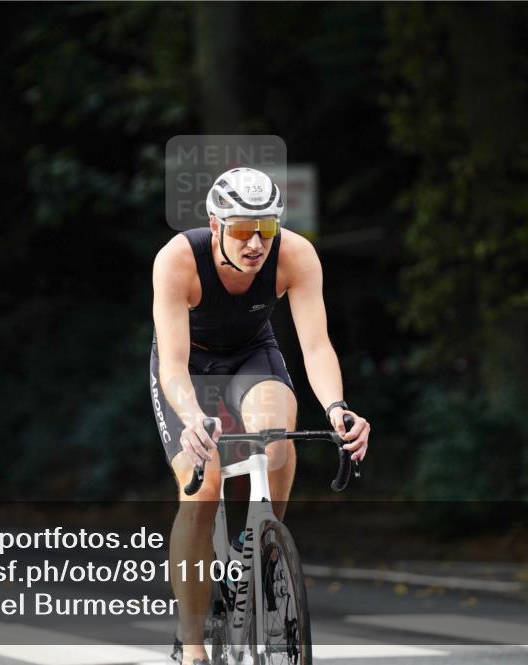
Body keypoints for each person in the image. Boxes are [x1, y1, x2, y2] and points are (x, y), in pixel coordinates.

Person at [150, 167, 371, 665]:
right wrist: (192, 418)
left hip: (252, 354)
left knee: (275, 435)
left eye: (266, 229)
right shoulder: (178, 260)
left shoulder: (296, 254)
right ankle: (192, 648)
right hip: (191, 365)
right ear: (214, 222)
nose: (256, 243)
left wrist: (338, 409)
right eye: (243, 229)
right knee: (202, 491)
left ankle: (263, 550)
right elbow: (173, 365)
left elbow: (316, 347)